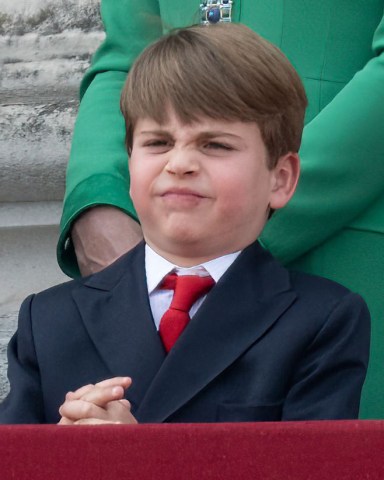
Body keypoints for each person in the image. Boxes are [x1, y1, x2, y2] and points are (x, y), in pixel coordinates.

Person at [0, 24, 370, 425]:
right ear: (129, 162)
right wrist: (58, 454)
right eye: (158, 142)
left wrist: (137, 460)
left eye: (216, 145)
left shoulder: (322, 320)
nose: (179, 164)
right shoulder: (50, 320)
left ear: (280, 179)